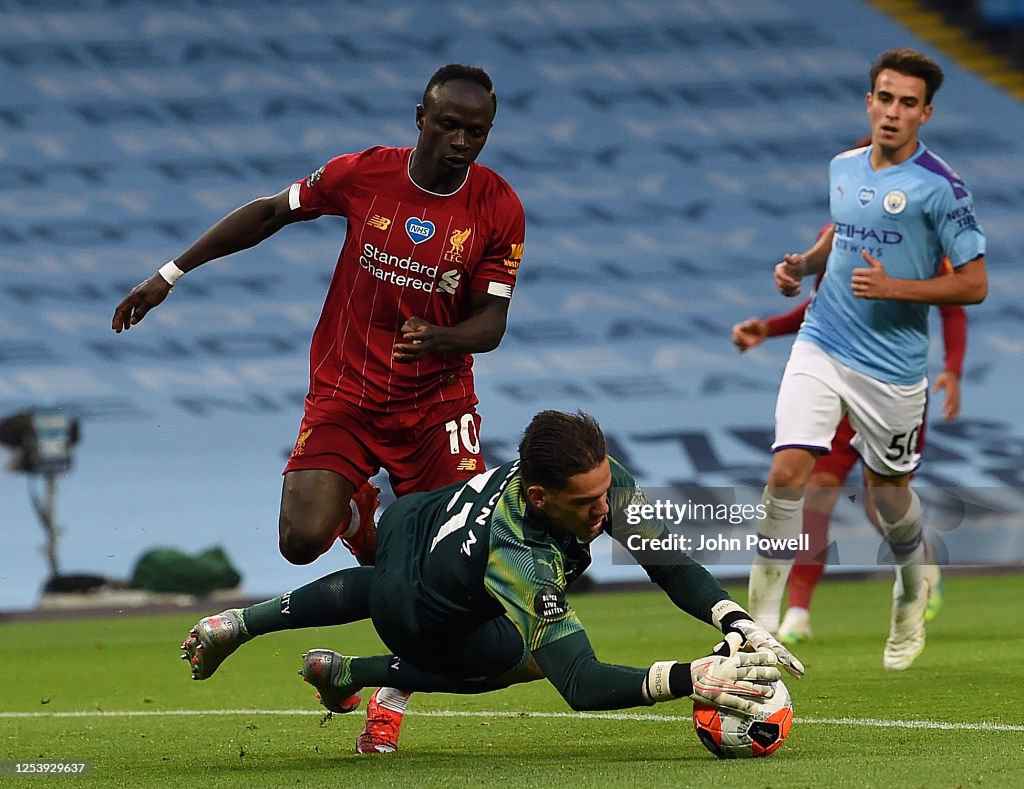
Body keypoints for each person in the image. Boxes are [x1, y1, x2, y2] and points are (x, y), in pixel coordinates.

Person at [112, 64, 526, 750]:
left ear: (487, 134)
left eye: (475, 131)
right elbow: (272, 211)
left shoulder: (498, 207)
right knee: (301, 540)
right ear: (419, 118)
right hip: (347, 393)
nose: (460, 141)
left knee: (450, 576)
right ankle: (362, 515)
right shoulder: (363, 175)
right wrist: (168, 275)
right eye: (448, 124)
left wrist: (441, 338)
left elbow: (493, 323)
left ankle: (387, 704)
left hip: (438, 407)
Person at [180, 410, 804, 750]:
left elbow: (663, 558)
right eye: (586, 503)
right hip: (418, 616)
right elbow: (582, 685)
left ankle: (235, 622)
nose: (603, 510)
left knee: (388, 580)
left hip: (416, 520)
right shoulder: (520, 557)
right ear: (538, 496)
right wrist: (690, 677)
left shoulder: (591, 476)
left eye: (602, 491)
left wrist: (734, 618)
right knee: (518, 658)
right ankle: (354, 672)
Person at [745, 48, 987, 671]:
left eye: (908, 103)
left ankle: (911, 590)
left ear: (925, 113)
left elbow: (973, 285)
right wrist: (803, 264)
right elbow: (840, 234)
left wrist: (897, 289)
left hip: (894, 369)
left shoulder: (943, 190)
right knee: (788, 474)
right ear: (870, 100)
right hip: (823, 343)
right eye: (885, 97)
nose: (893, 112)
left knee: (887, 498)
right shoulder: (844, 166)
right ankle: (758, 630)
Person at [732, 252, 966, 644]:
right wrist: (770, 328)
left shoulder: (920, 240)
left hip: (893, 384)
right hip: (835, 382)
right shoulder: (838, 235)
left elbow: (954, 304)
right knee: (817, 494)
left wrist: (953, 368)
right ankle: (798, 611)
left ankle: (921, 562)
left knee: (882, 503)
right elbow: (821, 303)